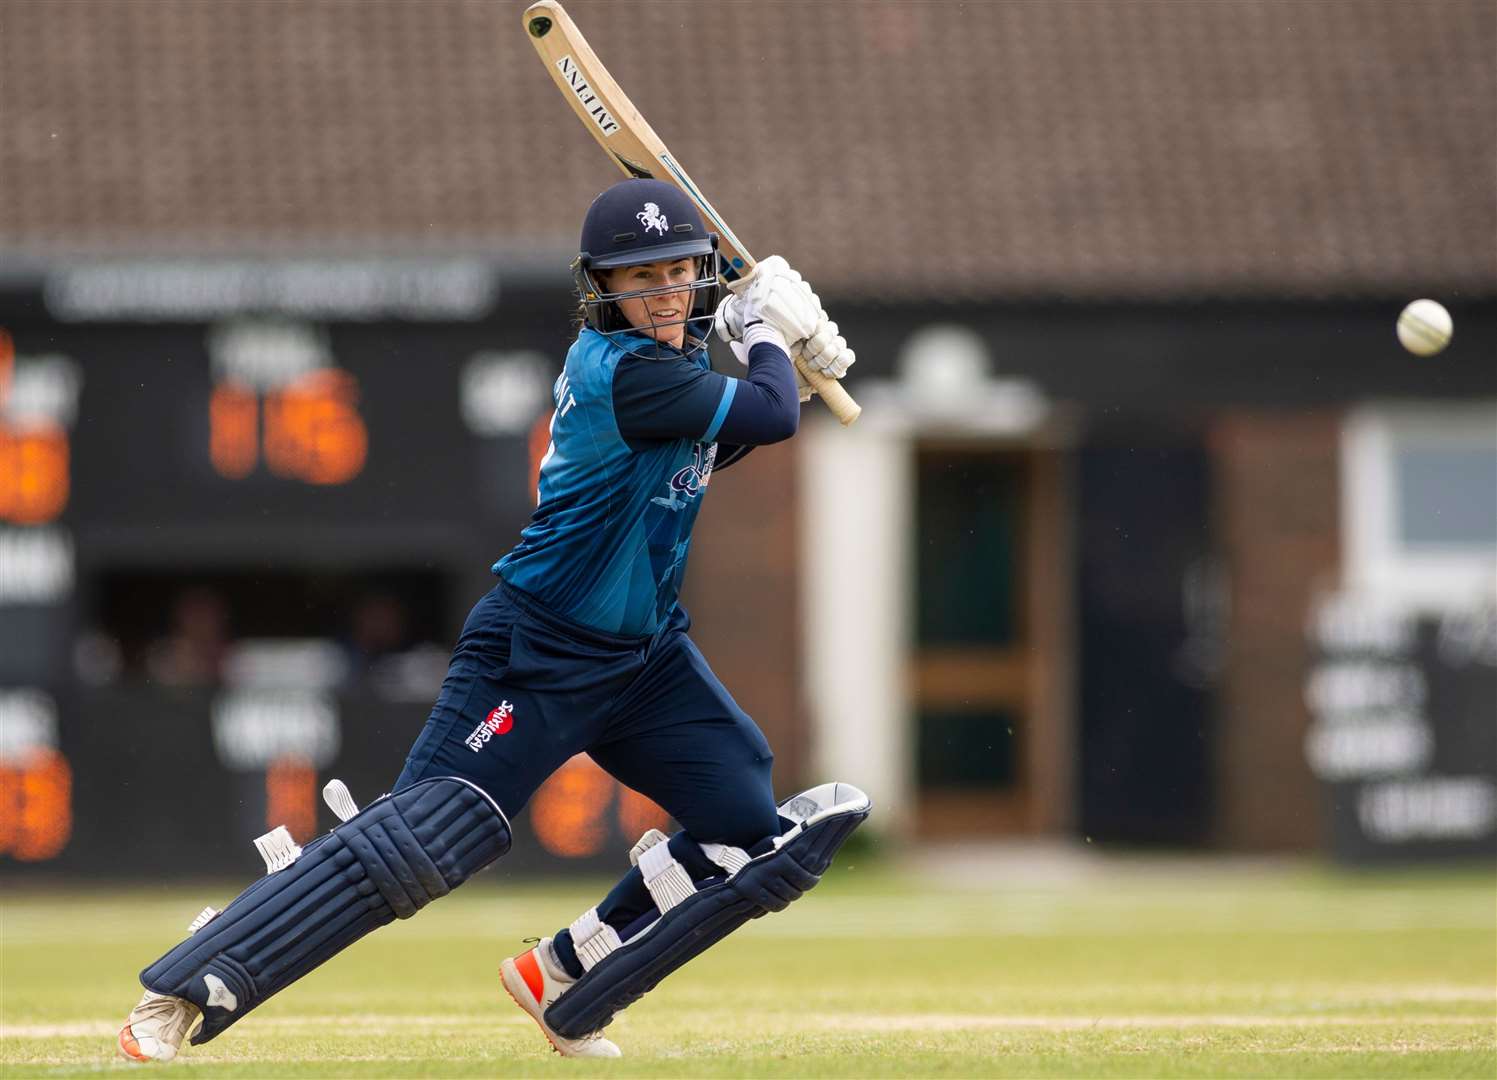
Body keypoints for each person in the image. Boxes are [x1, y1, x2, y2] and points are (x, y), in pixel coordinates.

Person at [116, 178, 870, 1064]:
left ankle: (564, 975)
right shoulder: (627, 372)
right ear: (603, 290)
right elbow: (768, 415)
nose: (664, 295)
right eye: (642, 279)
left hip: (643, 660)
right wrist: (774, 341)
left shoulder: (670, 381)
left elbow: (737, 430)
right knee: (423, 843)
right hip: (535, 652)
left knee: (749, 825)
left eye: (678, 272)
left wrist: (787, 360)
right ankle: (193, 980)